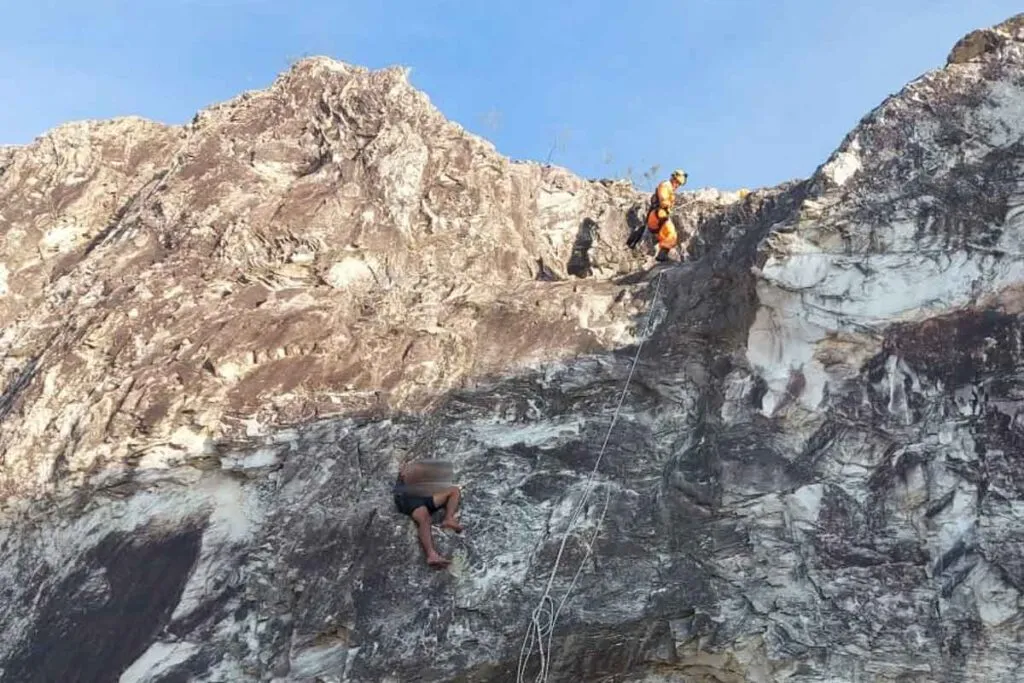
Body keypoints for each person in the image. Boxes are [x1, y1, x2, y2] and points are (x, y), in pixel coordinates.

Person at [393, 460, 464, 568]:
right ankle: (431, 555)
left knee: (454, 491)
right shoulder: (406, 470)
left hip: (423, 495)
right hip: (407, 496)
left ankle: (448, 519)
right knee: (424, 518)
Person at [626, 168, 688, 262]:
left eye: (679, 184)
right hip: (657, 216)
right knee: (671, 234)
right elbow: (663, 200)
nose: (677, 185)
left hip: (658, 219)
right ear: (674, 179)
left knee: (668, 235)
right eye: (677, 182)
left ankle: (656, 250)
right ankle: (662, 255)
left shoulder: (670, 190)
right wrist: (667, 205)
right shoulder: (665, 185)